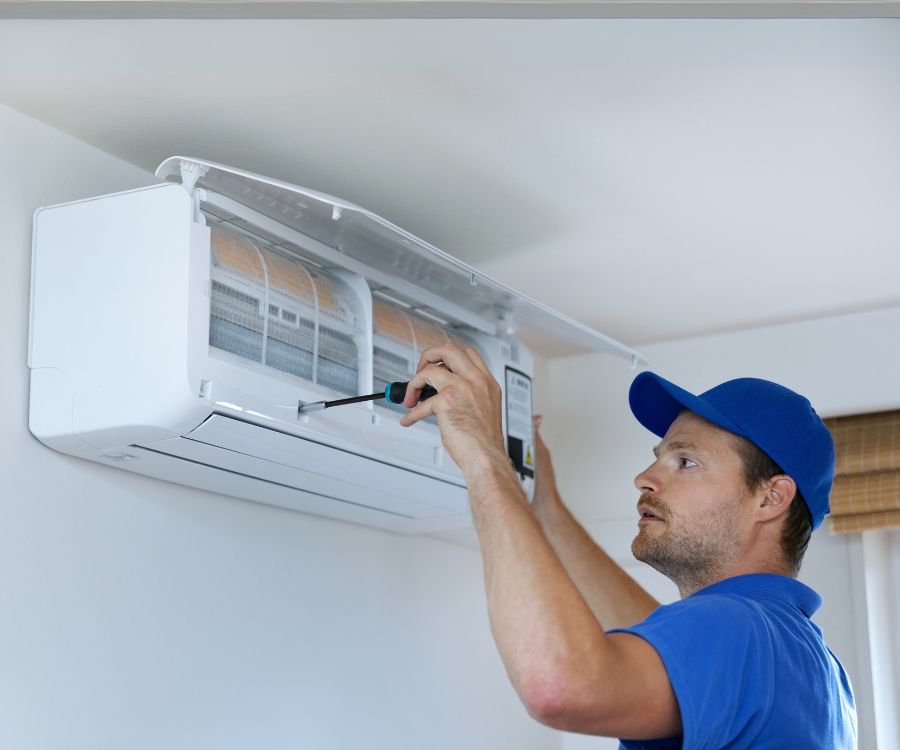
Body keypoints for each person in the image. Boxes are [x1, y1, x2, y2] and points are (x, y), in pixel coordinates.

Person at [399, 342, 857, 749]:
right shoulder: (804, 659)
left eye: (686, 461)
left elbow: (558, 686)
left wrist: (483, 455)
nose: (644, 478)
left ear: (770, 498)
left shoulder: (739, 630)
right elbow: (659, 636)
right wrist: (546, 510)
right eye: (658, 458)